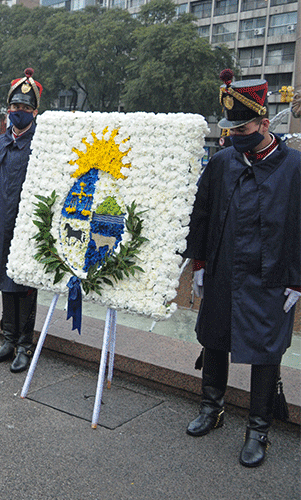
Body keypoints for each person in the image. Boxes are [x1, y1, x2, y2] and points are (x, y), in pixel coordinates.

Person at [183, 69, 300, 468]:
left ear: (264, 123)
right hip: (223, 270)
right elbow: (202, 214)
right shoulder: (221, 162)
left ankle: (258, 430)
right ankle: (211, 408)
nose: (234, 134)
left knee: (266, 351)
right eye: (229, 128)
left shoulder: (294, 167)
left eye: (243, 126)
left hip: (271, 279)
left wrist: (299, 280)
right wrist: (198, 264)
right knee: (214, 340)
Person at [0, 68, 42, 374]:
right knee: (4, 279)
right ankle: (8, 340)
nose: (19, 112)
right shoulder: (0, 143)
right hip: (4, 222)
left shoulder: (42, 145)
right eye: (15, 107)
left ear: (35, 111)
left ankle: (25, 345)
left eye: (25, 108)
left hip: (28, 226)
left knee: (25, 284)